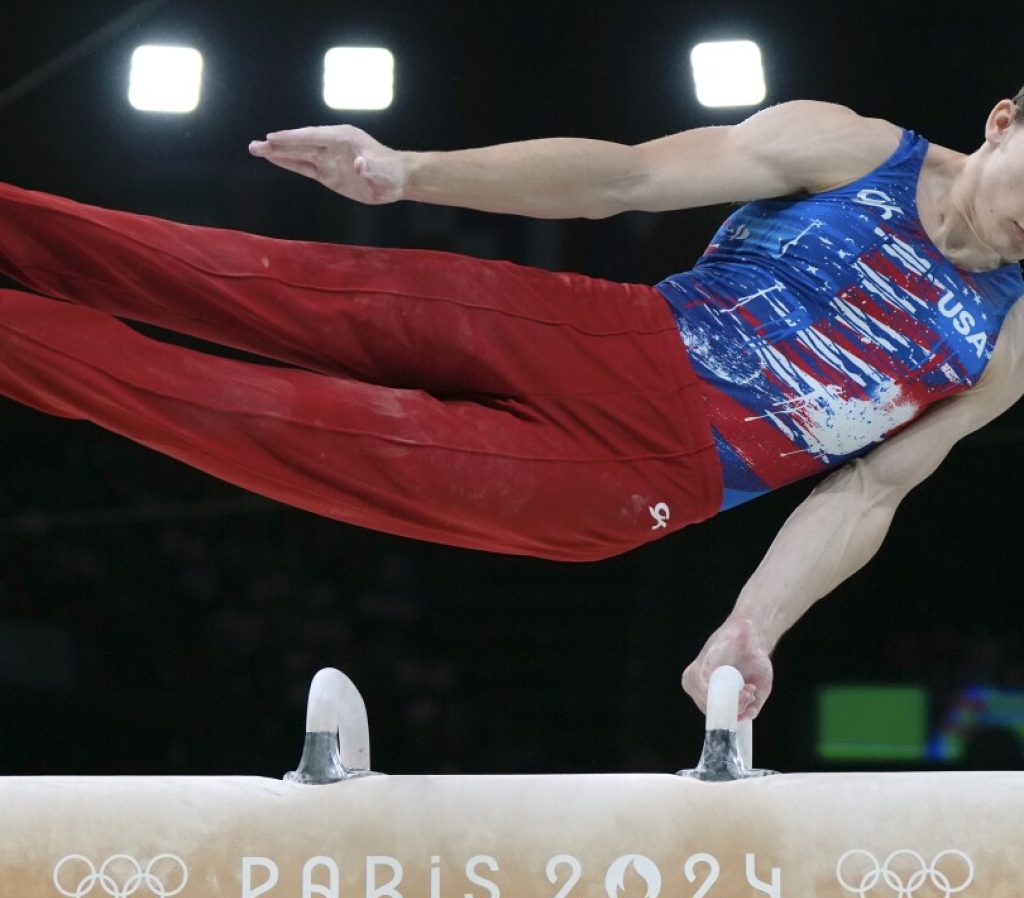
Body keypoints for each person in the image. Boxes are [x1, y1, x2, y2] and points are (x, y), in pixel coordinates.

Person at [2, 97, 1024, 723]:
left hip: (635, 487)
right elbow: (622, 179)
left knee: (227, 409)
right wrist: (410, 173)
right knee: (247, 279)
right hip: (600, 335)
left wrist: (748, 627)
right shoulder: (851, 149)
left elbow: (873, 489)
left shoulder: (1009, 339)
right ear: (1002, 122)